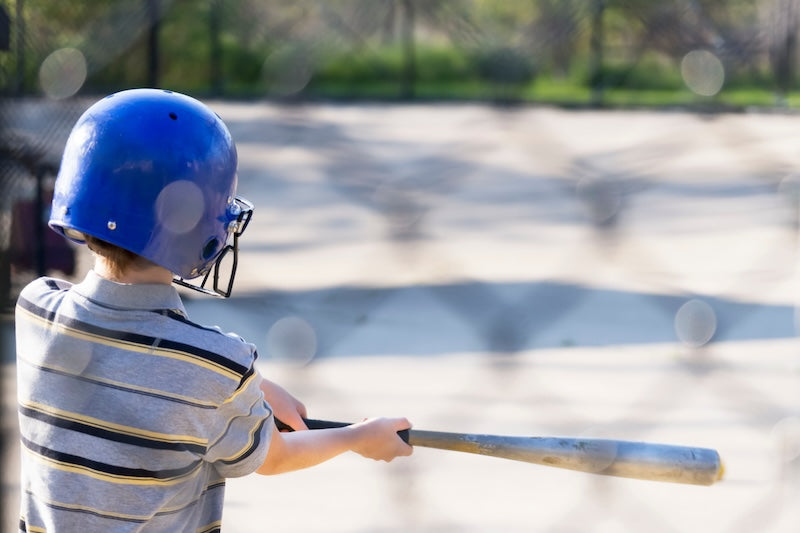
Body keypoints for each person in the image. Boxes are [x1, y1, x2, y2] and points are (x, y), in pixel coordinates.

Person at [15, 88, 413, 532]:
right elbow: (274, 458)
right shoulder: (216, 364)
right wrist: (358, 437)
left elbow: (137, 370)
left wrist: (254, 388)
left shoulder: (35, 310)